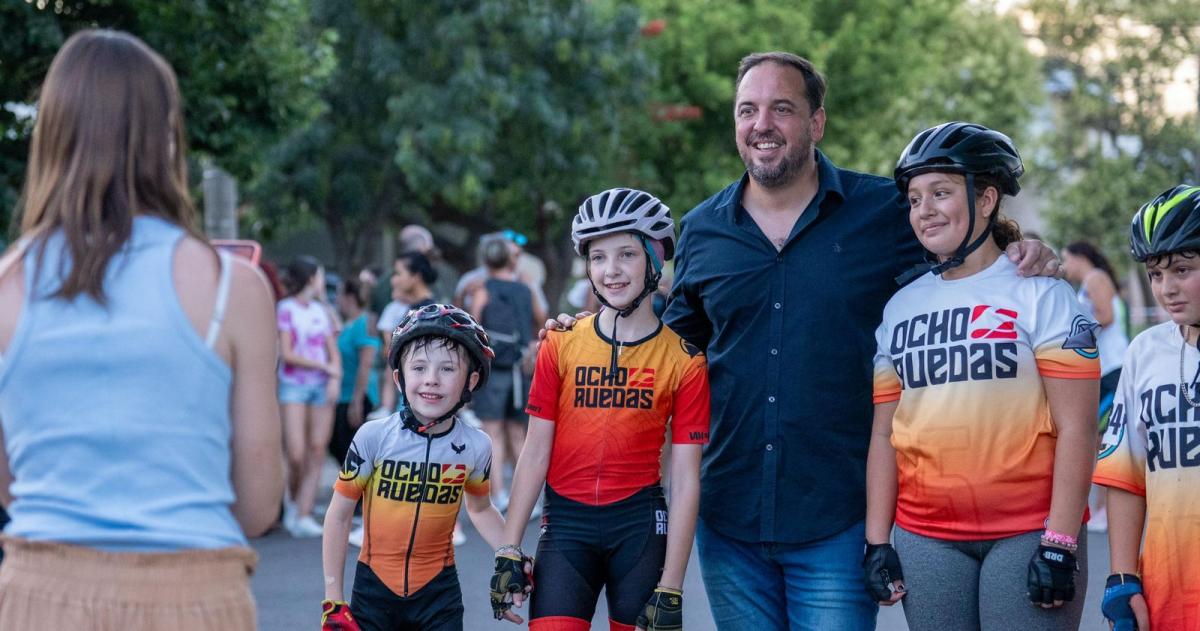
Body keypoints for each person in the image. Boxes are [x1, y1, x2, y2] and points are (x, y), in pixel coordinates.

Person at [545, 52, 1060, 630]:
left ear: (816, 122)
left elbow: (964, 256)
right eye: (747, 110)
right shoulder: (703, 228)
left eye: (781, 108)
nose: (761, 124)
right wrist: (587, 335)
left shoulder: (884, 212)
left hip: (837, 516)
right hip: (730, 515)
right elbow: (669, 348)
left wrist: (1022, 249)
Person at [0, 29, 282, 629]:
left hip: (40, 595)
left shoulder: (6, 285)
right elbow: (259, 503)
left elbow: (8, 484)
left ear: (52, 134)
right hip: (195, 594)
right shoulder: (232, 288)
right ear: (166, 136)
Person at [863, 122, 1099, 630]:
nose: (924, 210)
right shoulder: (900, 308)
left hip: (1029, 530)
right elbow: (884, 435)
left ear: (987, 199)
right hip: (926, 536)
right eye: (914, 199)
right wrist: (877, 540)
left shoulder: (1042, 294)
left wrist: (1060, 542)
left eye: (941, 193)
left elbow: (1078, 428)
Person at [500, 188, 709, 631]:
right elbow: (535, 451)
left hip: (639, 529)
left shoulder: (685, 361)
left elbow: (686, 477)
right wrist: (508, 549)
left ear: (654, 259)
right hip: (565, 529)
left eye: (626, 254)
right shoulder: (560, 343)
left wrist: (672, 585)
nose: (610, 270)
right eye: (598, 257)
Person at [320, 304, 520, 631]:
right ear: (399, 378)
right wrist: (334, 599)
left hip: (439, 596)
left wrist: (511, 556)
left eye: (447, 369)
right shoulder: (373, 437)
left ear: (470, 380)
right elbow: (339, 516)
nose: (431, 380)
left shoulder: (476, 446)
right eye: (419, 367)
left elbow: (481, 509)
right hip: (373, 592)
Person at [1095, 184, 1200, 631]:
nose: (1166, 289)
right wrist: (1122, 578)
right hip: (1170, 591)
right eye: (1156, 274)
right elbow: (1126, 474)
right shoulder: (1145, 352)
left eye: (1182, 270)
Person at [1062, 240, 1131, 532]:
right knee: (1101, 440)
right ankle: (1101, 509)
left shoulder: (1094, 278)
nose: (1065, 266)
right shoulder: (1091, 281)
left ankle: (1104, 510)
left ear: (1080, 258)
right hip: (1104, 370)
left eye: (1067, 259)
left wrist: (1071, 337)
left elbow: (1105, 317)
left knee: (1105, 441)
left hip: (1113, 368)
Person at [468, 234, 538, 511]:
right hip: (520, 369)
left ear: (485, 260)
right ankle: (528, 499)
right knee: (518, 435)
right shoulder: (525, 289)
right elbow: (536, 318)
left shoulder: (482, 288)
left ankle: (499, 495)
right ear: (510, 260)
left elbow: (473, 324)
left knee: (493, 434)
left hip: (494, 369)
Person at [278, 256, 341, 538]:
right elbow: (287, 353)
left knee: (317, 449)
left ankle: (303, 513)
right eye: (320, 276)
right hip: (293, 384)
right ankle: (292, 504)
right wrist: (323, 367)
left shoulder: (321, 310)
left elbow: (333, 348)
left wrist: (334, 378)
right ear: (311, 278)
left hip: (321, 386)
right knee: (295, 452)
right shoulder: (286, 308)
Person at [376, 251, 439, 415]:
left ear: (415, 276)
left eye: (398, 273)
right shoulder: (414, 308)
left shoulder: (429, 312)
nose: (394, 280)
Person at [331, 278, 380, 466]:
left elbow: (366, 364)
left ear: (350, 297)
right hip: (342, 396)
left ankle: (360, 486)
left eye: (339, 295)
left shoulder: (365, 323)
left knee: (352, 453)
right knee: (338, 447)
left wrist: (357, 401)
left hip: (358, 397)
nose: (336, 299)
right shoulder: (348, 324)